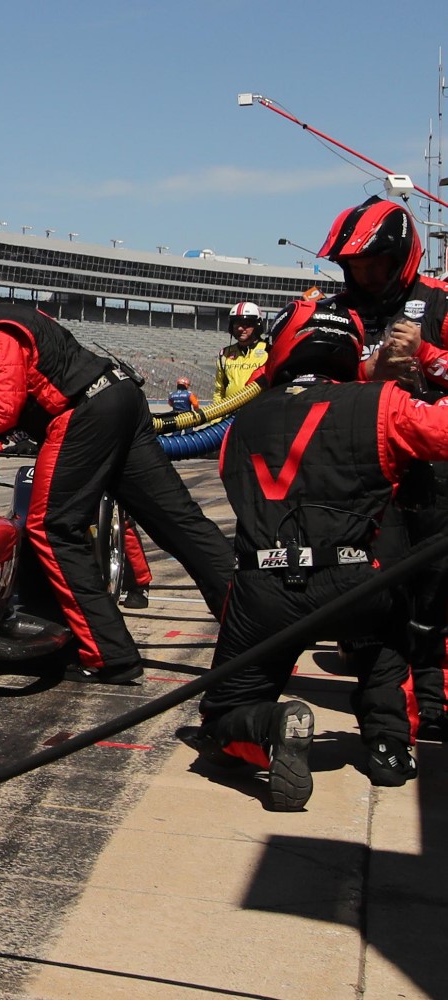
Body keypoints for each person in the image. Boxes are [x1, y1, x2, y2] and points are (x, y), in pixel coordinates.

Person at [0, 283, 233, 684]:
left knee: (49, 526)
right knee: (177, 520)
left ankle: (108, 654)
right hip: (118, 399)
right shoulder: (1, 324)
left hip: (82, 412)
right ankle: (251, 618)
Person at [177, 298, 436, 809]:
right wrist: (425, 359)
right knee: (385, 644)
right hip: (355, 582)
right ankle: (388, 744)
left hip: (263, 593)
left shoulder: (244, 421)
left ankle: (270, 727)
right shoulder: (381, 402)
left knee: (220, 721)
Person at [320, 194, 448, 742]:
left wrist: (427, 357)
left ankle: (436, 701)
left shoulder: (441, 302)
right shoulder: (333, 309)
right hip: (367, 476)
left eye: (376, 266)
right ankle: (392, 714)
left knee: (437, 593)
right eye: (357, 267)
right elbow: (307, 385)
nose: (367, 277)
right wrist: (369, 369)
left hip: (437, 473)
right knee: (375, 594)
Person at [0, 438, 154, 609]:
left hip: (86, 449)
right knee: (22, 516)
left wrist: (45, 446)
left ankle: (138, 584)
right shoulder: (3, 404)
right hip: (48, 458)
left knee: (120, 519)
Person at [213, 301, 268, 404]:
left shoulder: (269, 350)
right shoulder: (224, 354)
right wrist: (217, 419)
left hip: (260, 413)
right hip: (229, 415)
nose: (240, 328)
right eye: (236, 324)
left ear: (257, 325)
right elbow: (219, 390)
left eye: (246, 324)